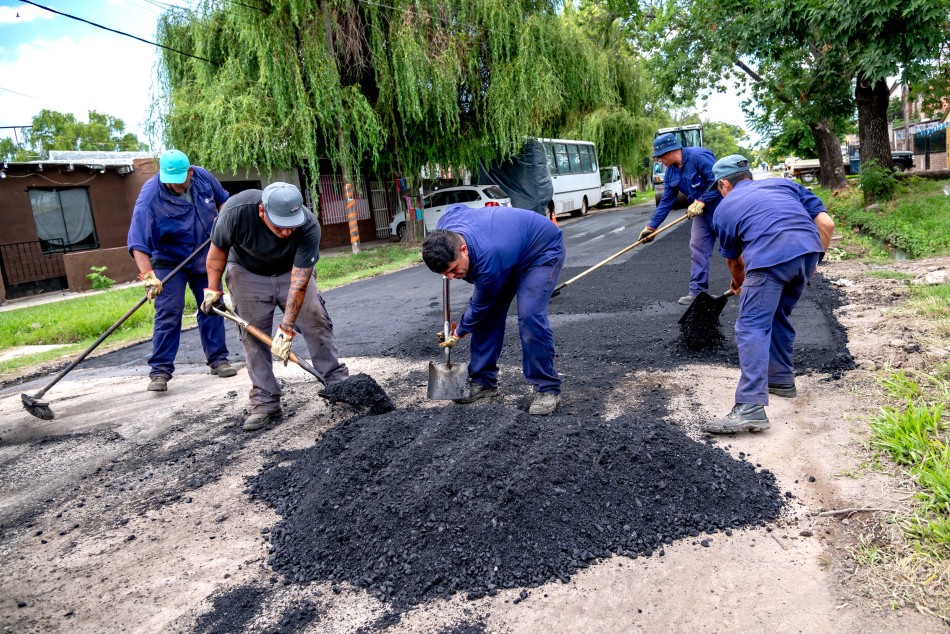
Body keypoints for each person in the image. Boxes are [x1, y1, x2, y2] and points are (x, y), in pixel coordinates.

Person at [201, 182, 349, 432]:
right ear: (262, 212)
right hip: (247, 272)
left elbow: (300, 281)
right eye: (279, 226)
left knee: (316, 319)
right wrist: (213, 289)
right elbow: (217, 252)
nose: (286, 232)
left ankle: (337, 383)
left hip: (290, 270)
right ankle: (265, 401)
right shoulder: (236, 211)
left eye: (290, 226)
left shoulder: (309, 224)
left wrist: (286, 328)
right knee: (252, 334)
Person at [703, 155, 834, 434]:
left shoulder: (725, 208)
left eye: (718, 187)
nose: (719, 192)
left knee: (751, 325)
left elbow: (735, 261)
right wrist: (810, 263)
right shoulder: (784, 185)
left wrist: (740, 282)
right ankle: (781, 380)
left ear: (724, 184)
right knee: (777, 315)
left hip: (770, 261)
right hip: (808, 253)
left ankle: (750, 406)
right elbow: (826, 224)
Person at [421, 204, 565, 416]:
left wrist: (458, 332)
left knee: (529, 316)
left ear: (463, 249)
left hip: (540, 251)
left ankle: (547, 388)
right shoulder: (445, 231)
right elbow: (455, 207)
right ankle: (484, 382)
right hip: (507, 251)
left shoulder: (489, 258)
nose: (451, 277)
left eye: (453, 270)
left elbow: (480, 305)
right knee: (488, 317)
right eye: (445, 273)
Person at [127, 149, 236, 392]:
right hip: (169, 259)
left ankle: (218, 359)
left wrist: (223, 219)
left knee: (212, 305)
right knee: (169, 311)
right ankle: (160, 371)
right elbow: (137, 241)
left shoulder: (204, 177)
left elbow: (224, 200)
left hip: (205, 254)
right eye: (170, 182)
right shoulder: (150, 195)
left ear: (190, 172)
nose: (175, 186)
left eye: (179, 181)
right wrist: (148, 276)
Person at [639, 133, 723, 305]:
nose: (659, 161)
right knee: (697, 247)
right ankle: (697, 292)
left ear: (671, 151)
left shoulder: (699, 156)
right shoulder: (670, 173)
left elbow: (718, 181)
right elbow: (666, 201)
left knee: (735, 247)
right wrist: (651, 227)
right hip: (701, 214)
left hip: (721, 209)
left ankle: (752, 283)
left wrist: (702, 200)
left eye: (660, 156)